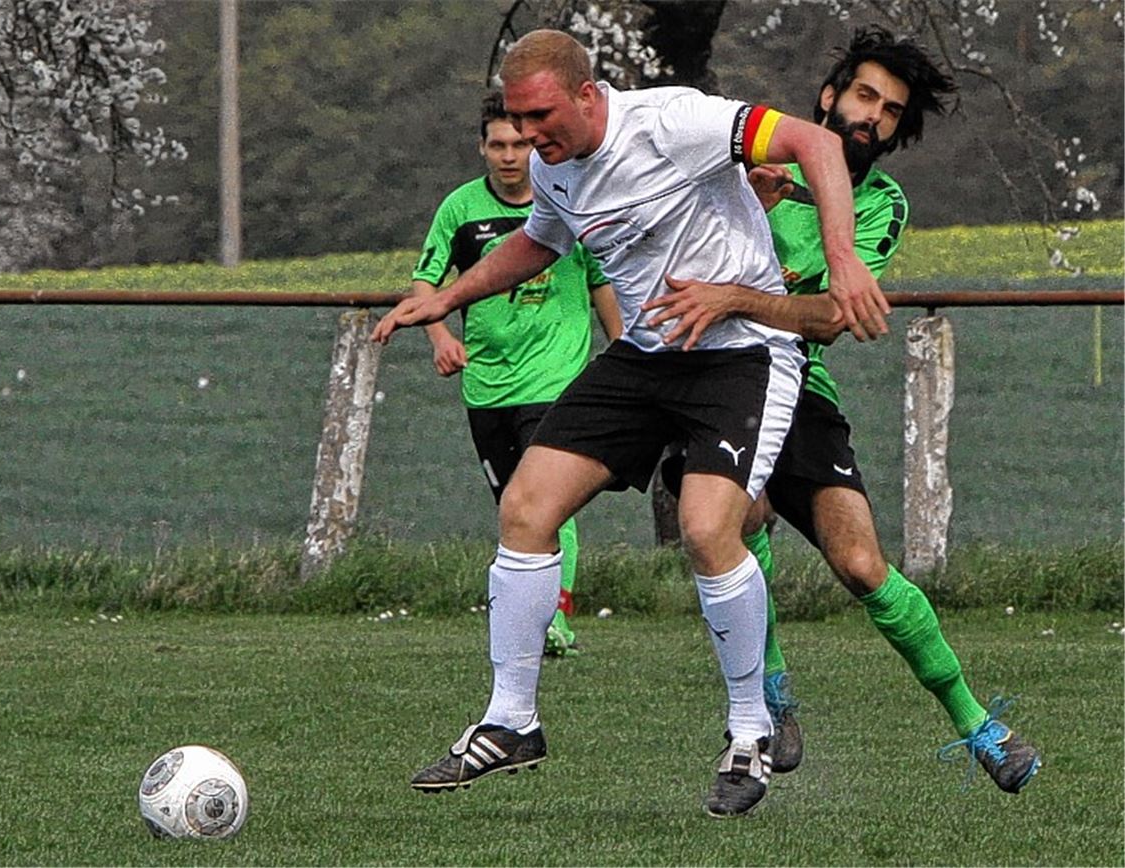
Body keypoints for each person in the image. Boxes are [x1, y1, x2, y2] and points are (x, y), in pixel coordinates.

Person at [373, 28, 889, 818]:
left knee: (707, 529)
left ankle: (750, 731)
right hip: (649, 353)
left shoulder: (672, 122)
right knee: (525, 507)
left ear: (587, 95)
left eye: (541, 116)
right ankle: (512, 721)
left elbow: (814, 142)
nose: (530, 136)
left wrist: (843, 259)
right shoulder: (553, 167)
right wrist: (448, 297)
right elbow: (540, 241)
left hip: (741, 352)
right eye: (517, 119)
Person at [644, 27, 1041, 795]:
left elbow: (828, 316)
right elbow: (680, 274)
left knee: (861, 564)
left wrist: (739, 296)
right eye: (864, 96)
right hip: (714, 381)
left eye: (890, 111)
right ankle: (772, 696)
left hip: (801, 383)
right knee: (741, 515)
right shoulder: (745, 166)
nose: (872, 116)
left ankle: (977, 726)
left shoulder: (883, 204)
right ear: (829, 96)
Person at [410, 91, 622, 657]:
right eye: (497, 145)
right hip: (488, 385)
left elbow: (601, 281)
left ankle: (556, 618)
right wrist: (441, 338)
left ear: (534, 145)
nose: (509, 156)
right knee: (515, 508)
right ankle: (531, 614)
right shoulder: (460, 209)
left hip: (556, 379)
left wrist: (625, 348)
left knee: (551, 498)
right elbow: (425, 282)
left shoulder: (570, 197)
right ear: (482, 148)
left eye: (519, 145)